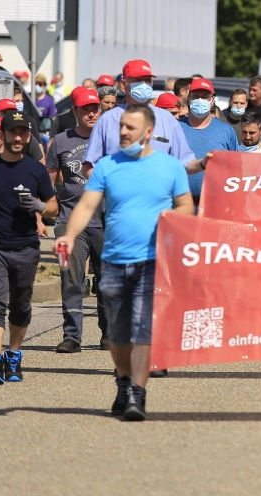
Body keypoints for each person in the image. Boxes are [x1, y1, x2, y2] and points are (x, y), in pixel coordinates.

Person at [56, 105, 194, 421]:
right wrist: (68, 236)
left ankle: (137, 393)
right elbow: (86, 205)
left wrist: (172, 217)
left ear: (148, 132)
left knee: (143, 329)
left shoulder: (170, 167)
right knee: (118, 335)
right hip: (115, 261)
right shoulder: (107, 167)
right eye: (121, 127)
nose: (122, 132)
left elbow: (186, 206)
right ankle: (122, 378)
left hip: (151, 261)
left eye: (130, 127)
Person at [0, 111, 58, 384]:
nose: (18, 137)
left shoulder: (35, 170)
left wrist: (40, 206)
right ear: (2, 135)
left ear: (28, 136)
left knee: (20, 304)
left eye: (22, 133)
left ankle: (13, 355)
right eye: (12, 132)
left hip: (26, 247)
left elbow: (53, 206)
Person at [46, 88, 109, 353]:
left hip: (105, 222)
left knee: (107, 280)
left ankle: (109, 333)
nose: (91, 113)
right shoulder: (60, 142)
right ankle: (72, 335)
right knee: (69, 277)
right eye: (85, 109)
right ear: (74, 112)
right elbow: (47, 183)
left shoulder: (111, 141)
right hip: (68, 222)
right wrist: (49, 213)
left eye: (95, 108)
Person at [86, 60, 196, 171]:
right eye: (138, 80)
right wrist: (109, 186)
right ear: (124, 85)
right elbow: (90, 166)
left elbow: (185, 162)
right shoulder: (107, 120)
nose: (144, 85)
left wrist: (203, 163)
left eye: (147, 80)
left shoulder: (167, 119)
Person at [178, 78, 241, 206]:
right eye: (195, 96)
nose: (200, 100)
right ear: (188, 98)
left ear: (212, 100)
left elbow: (236, 167)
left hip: (216, 204)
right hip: (181, 205)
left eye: (205, 96)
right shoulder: (176, 128)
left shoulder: (226, 131)